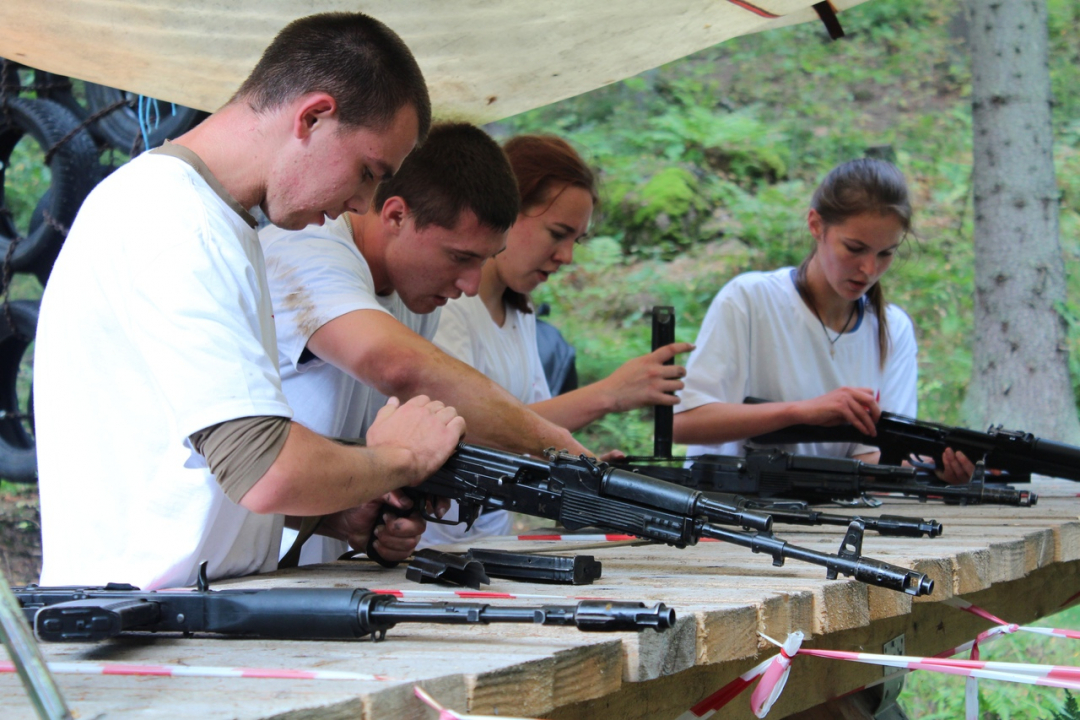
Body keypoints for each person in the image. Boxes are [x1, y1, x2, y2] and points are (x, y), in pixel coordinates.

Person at [33, 12, 464, 591]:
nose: (363, 204)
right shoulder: (177, 227)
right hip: (137, 627)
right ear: (312, 116)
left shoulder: (215, 224)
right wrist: (400, 457)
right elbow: (266, 469)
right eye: (367, 171)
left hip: (176, 614)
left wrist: (339, 511)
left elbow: (196, 461)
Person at [262, 123, 590, 562]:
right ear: (396, 215)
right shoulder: (306, 250)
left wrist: (360, 512)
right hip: (210, 565)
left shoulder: (419, 296)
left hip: (308, 564)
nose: (470, 285)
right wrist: (569, 455)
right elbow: (400, 367)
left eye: (484, 261)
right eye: (460, 257)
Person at [426, 134, 694, 545]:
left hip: (483, 545)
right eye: (557, 233)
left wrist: (577, 463)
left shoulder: (522, 312)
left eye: (576, 240)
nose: (567, 256)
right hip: (425, 544)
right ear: (506, 209)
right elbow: (468, 428)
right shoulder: (445, 304)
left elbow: (532, 427)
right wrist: (610, 395)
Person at [672, 157, 974, 483]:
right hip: (731, 515)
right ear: (816, 225)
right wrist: (803, 412)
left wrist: (937, 470)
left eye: (886, 253)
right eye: (855, 248)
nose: (870, 269)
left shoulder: (894, 328)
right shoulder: (749, 299)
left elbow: (872, 460)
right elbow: (683, 423)